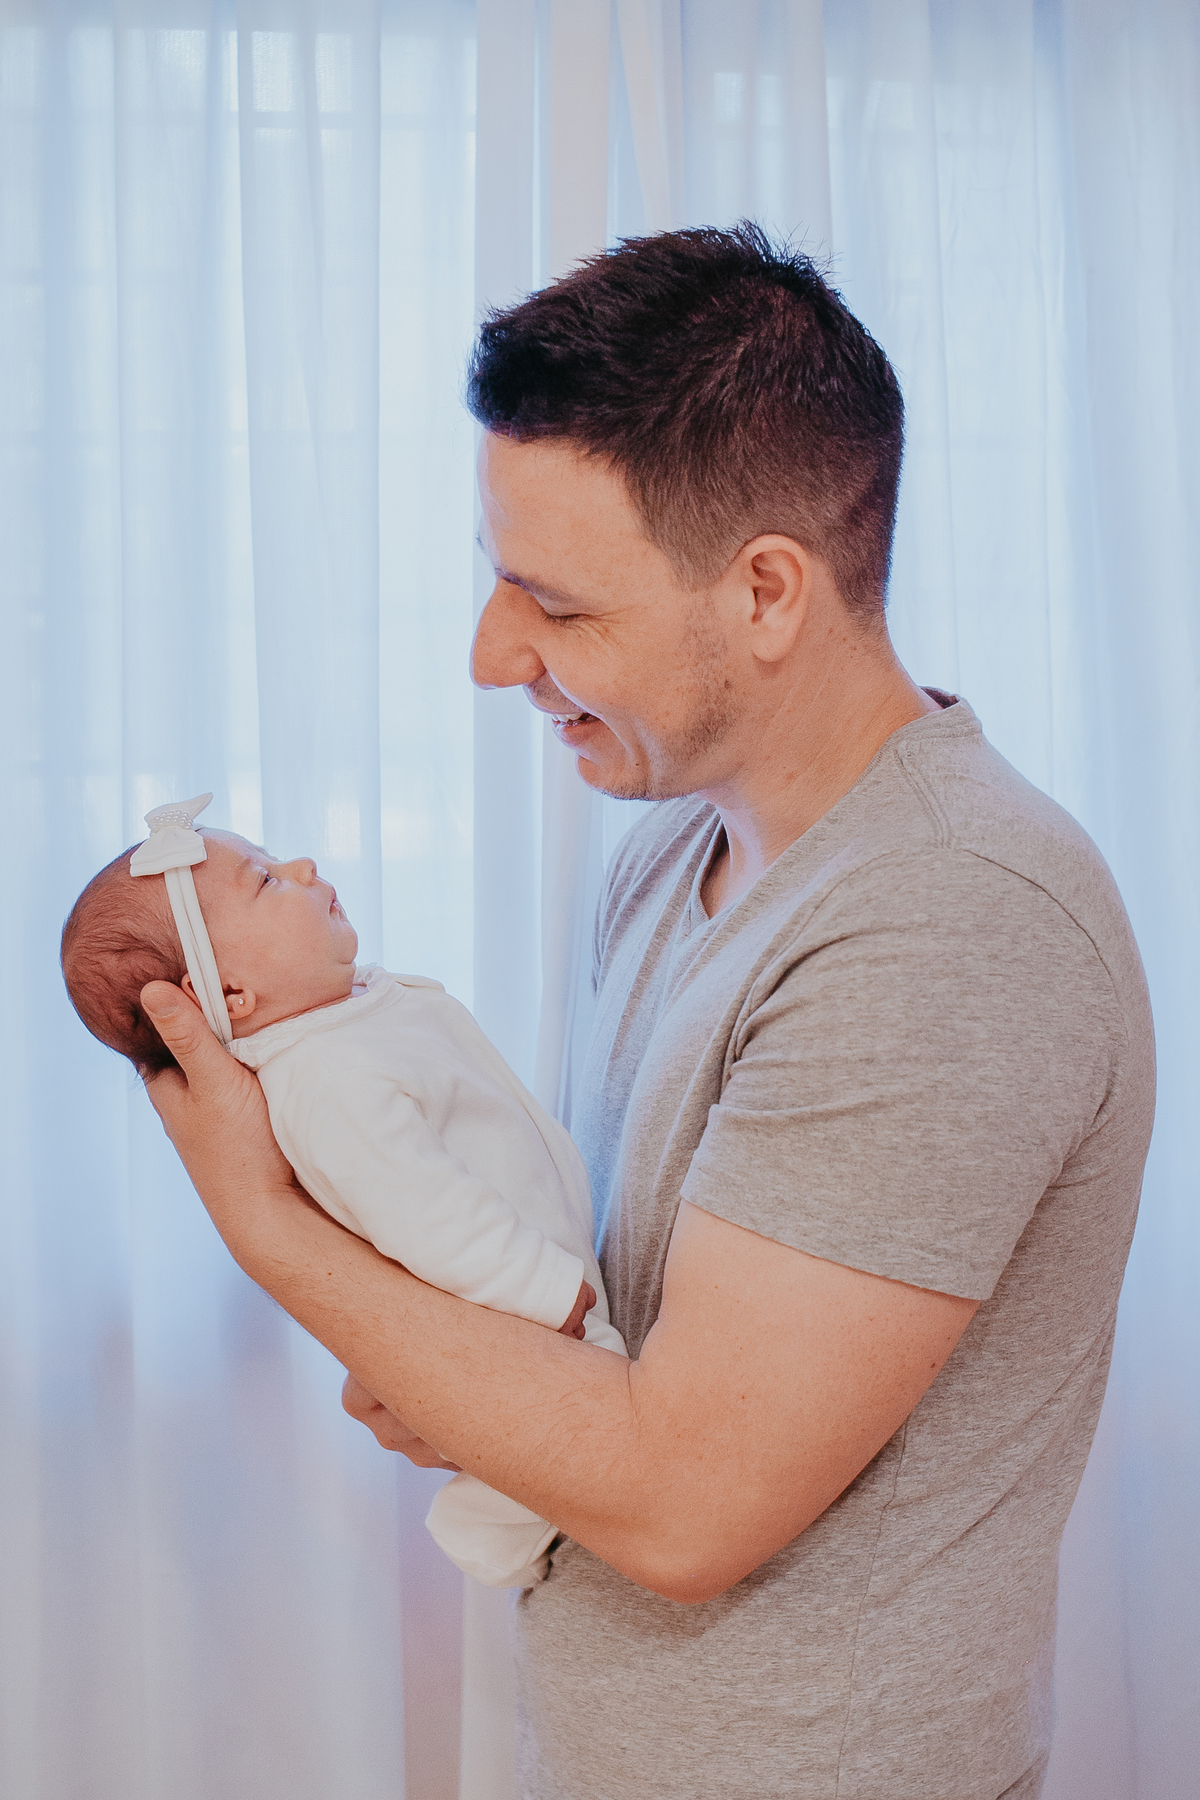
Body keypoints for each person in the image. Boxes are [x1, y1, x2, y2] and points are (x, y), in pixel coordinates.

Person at [138, 225, 1155, 1800]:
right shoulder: (673, 848)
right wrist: (479, 1384)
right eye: (497, 579)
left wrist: (269, 1229)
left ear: (765, 593)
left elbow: (685, 1504)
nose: (492, 657)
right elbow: (631, 1341)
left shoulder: (950, 926)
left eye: (555, 603)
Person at [60, 798, 621, 1590]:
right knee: (591, 1411)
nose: (303, 869)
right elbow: (423, 1215)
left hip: (544, 1257)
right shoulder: (322, 1079)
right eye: (264, 880)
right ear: (229, 996)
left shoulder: (347, 1020)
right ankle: (492, 1525)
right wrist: (542, 1294)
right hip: (522, 1305)